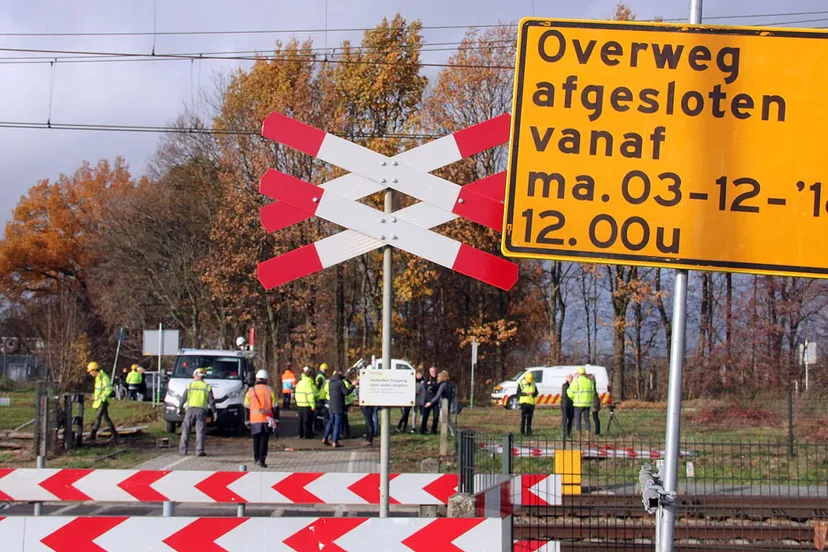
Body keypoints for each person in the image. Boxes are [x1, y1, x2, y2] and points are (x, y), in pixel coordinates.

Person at [178, 368, 217, 456]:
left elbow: (183, 398)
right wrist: (214, 412)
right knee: (200, 432)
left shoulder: (190, 385)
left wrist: (179, 408)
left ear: (196, 375)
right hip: (201, 411)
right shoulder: (207, 387)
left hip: (189, 410)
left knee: (185, 430)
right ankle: (199, 451)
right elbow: (211, 401)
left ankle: (183, 450)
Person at [244, 369, 278, 467]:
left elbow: (246, 406)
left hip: (254, 420)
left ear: (257, 379)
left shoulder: (250, 391)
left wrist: (246, 421)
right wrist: (276, 420)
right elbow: (275, 406)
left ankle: (256, 458)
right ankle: (262, 460)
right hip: (267, 420)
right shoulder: (270, 390)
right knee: (264, 440)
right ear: (266, 379)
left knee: (256, 440)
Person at [87, 362, 117, 442]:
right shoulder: (98, 378)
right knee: (105, 418)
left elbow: (109, 389)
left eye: (90, 371)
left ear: (94, 370)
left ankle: (92, 435)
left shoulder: (104, 377)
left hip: (103, 401)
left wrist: (102, 397)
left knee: (98, 417)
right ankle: (114, 434)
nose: (90, 373)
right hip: (99, 401)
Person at [424, 370, 457, 437]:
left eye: (439, 377)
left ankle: (444, 435)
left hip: (444, 404)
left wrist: (430, 402)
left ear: (442, 377)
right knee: (448, 420)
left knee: (443, 421)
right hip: (448, 404)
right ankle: (454, 433)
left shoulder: (443, 385)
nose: (438, 378)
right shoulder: (449, 384)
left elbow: (438, 395)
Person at [322, 368, 348, 447]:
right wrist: (353, 385)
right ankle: (335, 441)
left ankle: (325, 437)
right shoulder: (340, 383)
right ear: (340, 373)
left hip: (331, 405)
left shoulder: (331, 382)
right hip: (338, 406)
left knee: (330, 421)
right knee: (337, 424)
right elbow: (346, 392)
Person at [567, 367, 595, 437]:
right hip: (587, 404)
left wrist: (574, 398)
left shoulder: (576, 382)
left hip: (578, 404)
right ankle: (588, 435)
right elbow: (593, 393)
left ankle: (578, 436)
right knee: (587, 420)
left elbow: (570, 393)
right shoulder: (589, 382)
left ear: (579, 373)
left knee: (577, 420)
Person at [295, 368, 317, 439]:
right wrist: (313, 405)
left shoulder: (299, 383)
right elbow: (310, 395)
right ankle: (306, 435)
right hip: (306, 405)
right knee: (306, 421)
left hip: (299, 404)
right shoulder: (308, 384)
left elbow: (296, 394)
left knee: (300, 421)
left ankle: (300, 434)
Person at [419, 366, 440, 434]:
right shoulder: (427, 378)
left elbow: (437, 387)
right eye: (432, 371)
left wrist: (431, 385)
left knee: (436, 416)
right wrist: (430, 385)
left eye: (434, 371)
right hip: (427, 400)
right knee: (425, 416)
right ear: (429, 372)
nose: (433, 373)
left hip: (435, 401)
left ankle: (433, 430)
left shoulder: (438, 379)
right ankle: (423, 429)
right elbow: (425, 386)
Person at [518, 372, 539, 436]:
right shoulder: (521, 383)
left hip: (531, 403)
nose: (529, 382)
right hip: (524, 403)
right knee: (523, 418)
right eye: (528, 380)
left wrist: (533, 394)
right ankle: (522, 432)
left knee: (529, 419)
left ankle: (529, 432)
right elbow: (518, 393)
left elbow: (537, 392)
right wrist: (526, 394)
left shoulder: (533, 383)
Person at [342, 372, 356, 438]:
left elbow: (346, 394)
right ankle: (346, 433)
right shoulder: (347, 383)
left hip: (345, 403)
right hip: (347, 402)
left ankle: (345, 433)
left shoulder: (344, 383)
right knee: (345, 419)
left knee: (344, 420)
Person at [561, 374, 574, 440]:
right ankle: (563, 433)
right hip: (565, 405)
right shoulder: (565, 385)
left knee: (571, 419)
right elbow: (565, 395)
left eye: (571, 377)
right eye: (569, 377)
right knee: (565, 418)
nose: (571, 379)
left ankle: (569, 432)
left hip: (572, 405)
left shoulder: (573, 385)